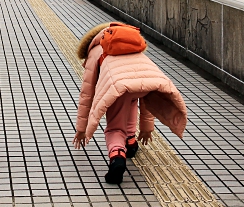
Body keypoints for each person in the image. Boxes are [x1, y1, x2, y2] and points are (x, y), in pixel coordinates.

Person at [72, 21, 188, 185]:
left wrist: (81, 129)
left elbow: (87, 94)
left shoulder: (96, 50)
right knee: (133, 97)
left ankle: (117, 156)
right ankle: (131, 142)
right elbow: (148, 96)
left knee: (115, 126)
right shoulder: (134, 47)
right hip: (149, 83)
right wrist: (147, 128)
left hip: (118, 86)